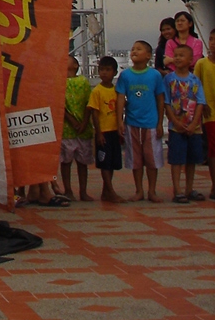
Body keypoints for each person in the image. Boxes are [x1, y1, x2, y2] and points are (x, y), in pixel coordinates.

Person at [116, 39, 166, 202]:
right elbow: (120, 98)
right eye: (133, 49)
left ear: (148, 55)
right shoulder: (125, 75)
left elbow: (160, 99)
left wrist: (160, 123)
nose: (134, 51)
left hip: (151, 124)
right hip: (132, 123)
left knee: (152, 160)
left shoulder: (155, 75)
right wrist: (120, 121)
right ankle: (139, 190)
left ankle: (152, 191)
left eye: (139, 49)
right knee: (135, 160)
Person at [164, 42, 207, 202]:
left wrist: (195, 123)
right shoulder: (169, 79)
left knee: (192, 159)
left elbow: (200, 102)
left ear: (190, 60)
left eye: (181, 56)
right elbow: (166, 102)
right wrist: (174, 121)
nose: (177, 58)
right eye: (175, 55)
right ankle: (177, 190)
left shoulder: (195, 80)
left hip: (194, 128)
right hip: (176, 127)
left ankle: (189, 189)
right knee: (176, 159)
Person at [88, 55, 122, 202]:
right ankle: (111, 191)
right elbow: (94, 113)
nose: (104, 73)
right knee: (105, 163)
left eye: (108, 70)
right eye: (102, 70)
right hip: (104, 132)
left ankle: (106, 191)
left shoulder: (117, 91)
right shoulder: (97, 91)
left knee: (112, 163)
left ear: (115, 72)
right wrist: (99, 133)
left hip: (114, 131)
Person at [60, 56, 94, 200]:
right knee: (65, 162)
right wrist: (72, 121)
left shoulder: (83, 82)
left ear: (75, 65)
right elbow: (59, 105)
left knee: (82, 162)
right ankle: (68, 190)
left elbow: (89, 103)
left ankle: (83, 191)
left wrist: (84, 122)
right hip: (66, 130)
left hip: (83, 130)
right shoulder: (59, 82)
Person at [194, 28, 215, 200]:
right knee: (213, 149)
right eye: (211, 39)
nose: (213, 43)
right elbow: (195, 86)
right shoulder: (202, 64)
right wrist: (202, 104)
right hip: (210, 112)